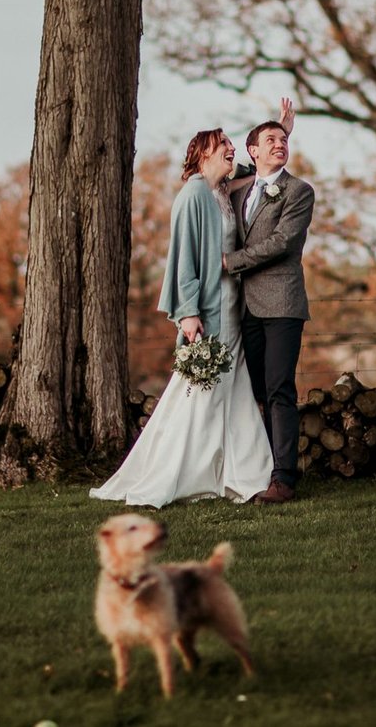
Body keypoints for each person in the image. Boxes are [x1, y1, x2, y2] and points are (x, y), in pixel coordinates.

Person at [90, 128, 273, 508]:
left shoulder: (222, 193)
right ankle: (172, 473)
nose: (231, 150)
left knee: (234, 392)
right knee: (197, 396)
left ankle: (245, 475)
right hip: (207, 312)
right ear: (203, 154)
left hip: (232, 310)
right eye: (222, 145)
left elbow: (254, 168)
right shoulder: (192, 195)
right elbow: (183, 260)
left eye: (231, 146)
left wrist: (280, 133)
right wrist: (187, 313)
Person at [227, 115, 315, 505]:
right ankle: (260, 467)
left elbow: (282, 242)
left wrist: (233, 262)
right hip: (245, 308)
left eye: (285, 140)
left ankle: (284, 479)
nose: (281, 144)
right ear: (253, 151)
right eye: (271, 140)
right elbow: (225, 173)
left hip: (282, 304)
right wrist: (276, 132)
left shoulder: (298, 191)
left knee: (279, 390)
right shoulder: (240, 191)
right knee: (256, 390)